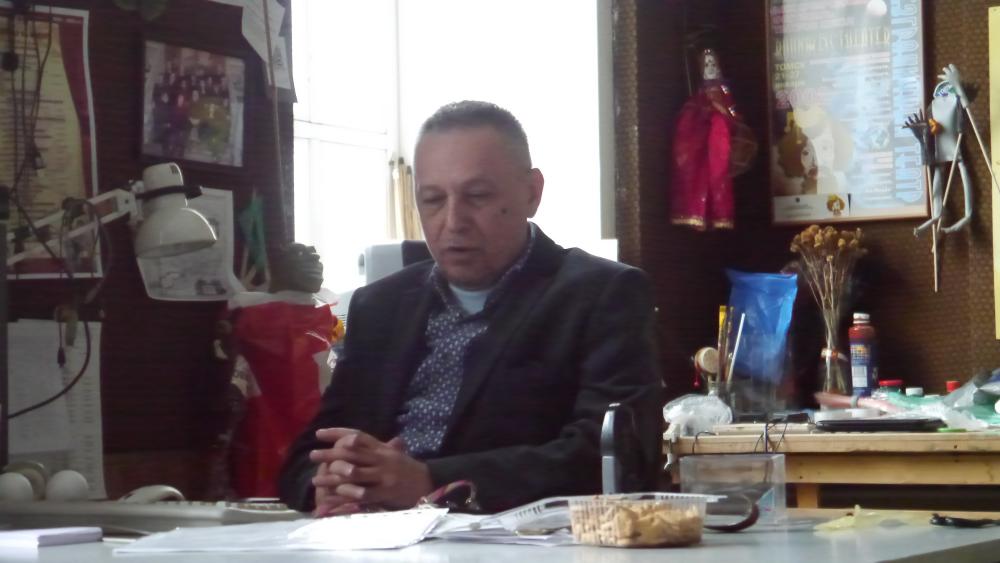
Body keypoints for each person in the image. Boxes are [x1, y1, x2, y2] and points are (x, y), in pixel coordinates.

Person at [278, 100, 663, 515]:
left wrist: (432, 482)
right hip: (372, 532)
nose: (452, 221)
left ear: (532, 193)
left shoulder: (601, 294)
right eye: (432, 200)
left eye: (477, 196)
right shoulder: (380, 305)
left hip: (507, 535)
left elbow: (614, 456)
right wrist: (327, 485)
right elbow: (307, 456)